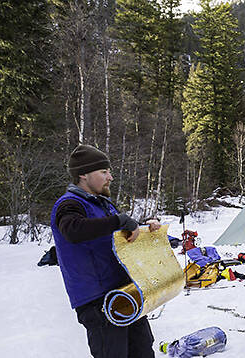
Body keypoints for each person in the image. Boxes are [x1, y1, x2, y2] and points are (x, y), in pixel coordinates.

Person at [51, 144, 161, 358]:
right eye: (103, 171)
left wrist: (144, 228)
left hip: (125, 292)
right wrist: (120, 220)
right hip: (98, 301)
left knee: (143, 350)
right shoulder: (69, 204)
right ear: (83, 174)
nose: (110, 177)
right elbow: (73, 230)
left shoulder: (102, 204)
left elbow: (115, 232)